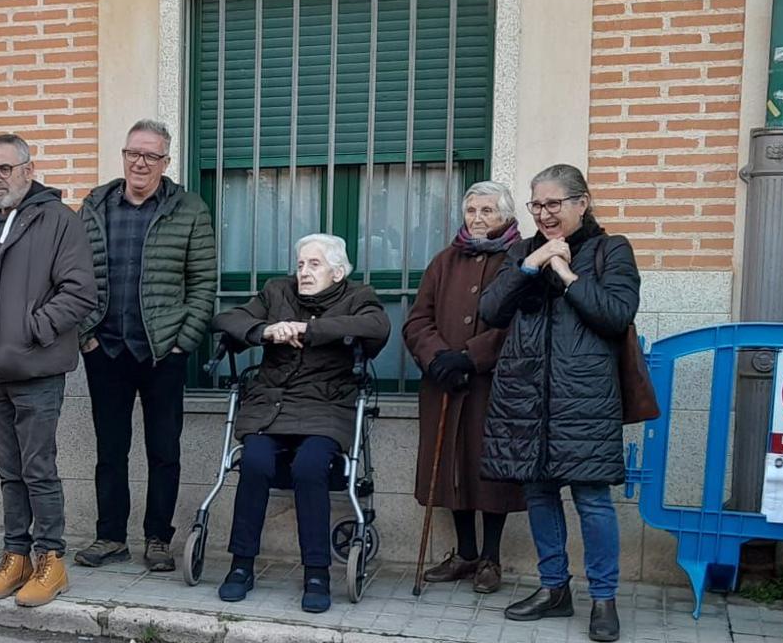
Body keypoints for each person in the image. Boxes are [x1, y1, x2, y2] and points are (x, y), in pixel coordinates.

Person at [480, 164, 641, 643]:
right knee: (538, 493)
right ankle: (554, 589)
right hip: (525, 393)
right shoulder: (520, 252)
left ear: (581, 203)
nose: (544, 214)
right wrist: (532, 264)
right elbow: (490, 311)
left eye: (554, 204)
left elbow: (616, 315)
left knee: (592, 499)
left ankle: (604, 598)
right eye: (537, 205)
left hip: (584, 396)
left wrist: (567, 274)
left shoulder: (612, 250)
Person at [210, 235, 389, 614]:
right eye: (301, 264)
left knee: (310, 467)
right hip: (271, 408)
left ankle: (317, 573)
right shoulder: (277, 291)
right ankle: (241, 565)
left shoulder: (358, 296)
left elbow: (377, 327)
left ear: (337, 273)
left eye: (314, 264)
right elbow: (227, 318)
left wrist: (307, 329)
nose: (304, 272)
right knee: (254, 461)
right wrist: (267, 330)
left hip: (326, 408)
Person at [0, 134, 97, 608]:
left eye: (5, 168)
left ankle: (51, 561)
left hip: (36, 370)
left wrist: (32, 329)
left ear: (28, 170)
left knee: (38, 470)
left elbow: (80, 292)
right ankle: (15, 556)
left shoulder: (60, 221)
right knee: (8, 471)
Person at [74, 119, 217, 574]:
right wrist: (86, 336)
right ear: (124, 155)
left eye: (151, 155)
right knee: (110, 451)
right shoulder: (95, 205)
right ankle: (110, 536)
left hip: (162, 351)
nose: (140, 162)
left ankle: (158, 539)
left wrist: (183, 343)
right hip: (106, 350)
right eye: (133, 153)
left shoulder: (189, 209)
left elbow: (203, 282)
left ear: (165, 162)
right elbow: (74, 276)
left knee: (164, 450)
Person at [404, 180, 527, 595]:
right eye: (471, 210)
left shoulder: (520, 257)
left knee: (491, 470)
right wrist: (438, 357)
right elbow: (418, 319)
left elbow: (521, 323)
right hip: (444, 383)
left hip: (496, 386)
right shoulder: (445, 260)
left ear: (506, 215)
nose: (477, 218)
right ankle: (466, 553)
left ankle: (491, 558)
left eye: (487, 210)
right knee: (452, 466)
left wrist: (471, 356)